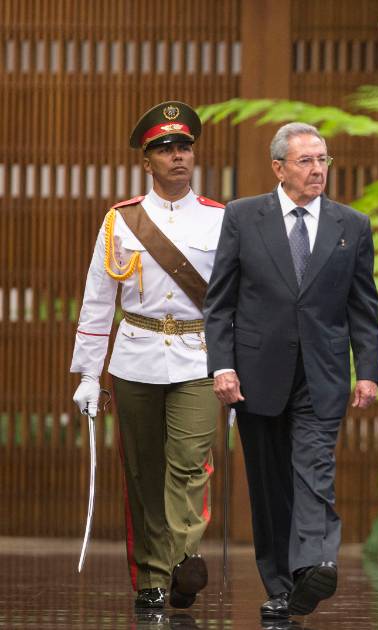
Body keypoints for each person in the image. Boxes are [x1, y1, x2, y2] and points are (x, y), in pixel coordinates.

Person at [204, 122, 378, 620]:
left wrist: (368, 370)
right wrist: (222, 366)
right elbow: (220, 302)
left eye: (323, 160)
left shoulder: (352, 225)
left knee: (314, 471)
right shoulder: (243, 216)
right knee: (269, 485)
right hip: (256, 373)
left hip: (322, 373)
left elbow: (364, 307)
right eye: (306, 161)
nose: (317, 170)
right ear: (278, 168)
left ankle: (314, 565)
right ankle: (282, 587)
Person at [70, 101, 223, 611]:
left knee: (191, 464)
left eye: (184, 147)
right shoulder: (121, 220)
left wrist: (235, 363)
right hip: (135, 356)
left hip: (198, 356)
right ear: (147, 161)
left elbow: (234, 300)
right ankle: (152, 577)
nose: (178, 156)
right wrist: (88, 373)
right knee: (142, 471)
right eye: (165, 148)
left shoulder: (221, 219)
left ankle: (183, 561)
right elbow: (98, 300)